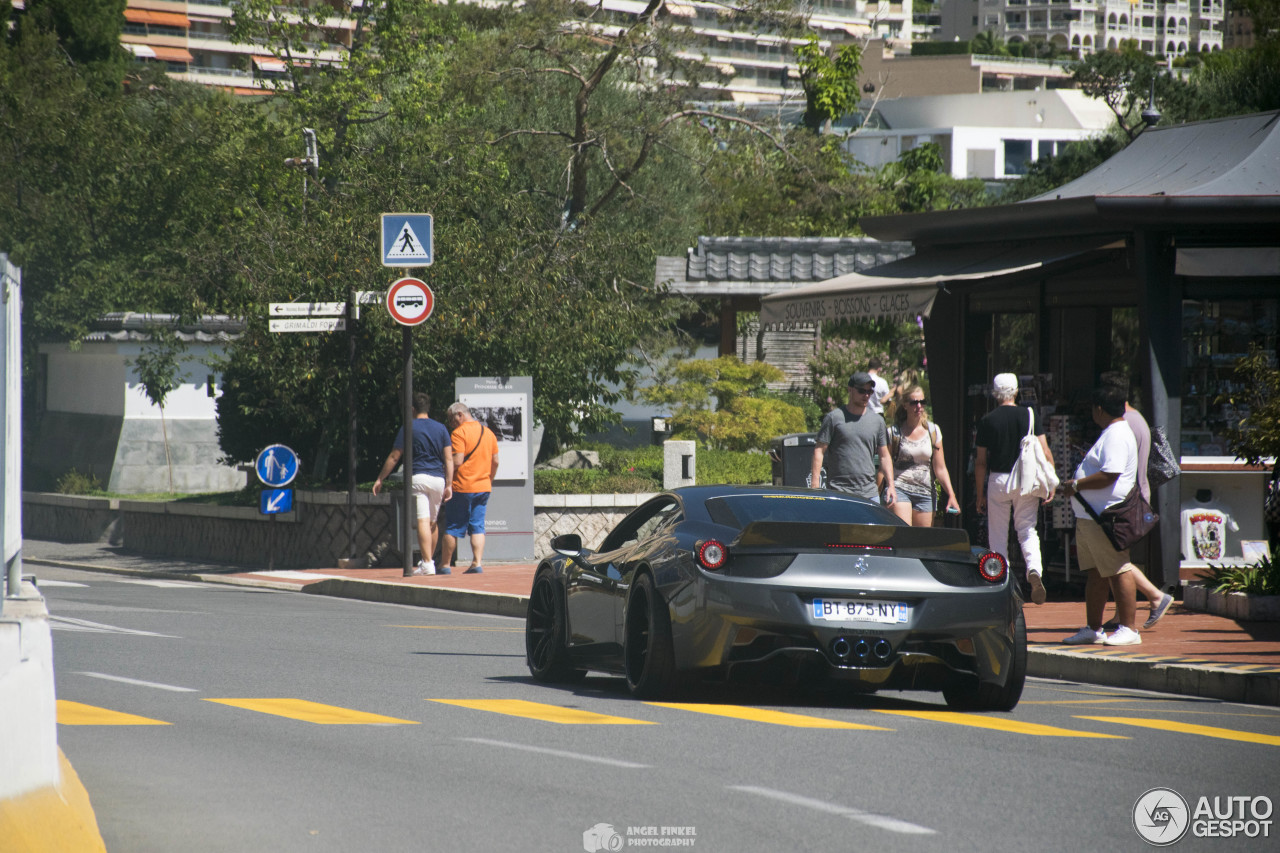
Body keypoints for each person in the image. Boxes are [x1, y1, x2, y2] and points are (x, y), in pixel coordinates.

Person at [1060, 385, 1144, 646]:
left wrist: (1076, 485)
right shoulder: (1111, 432)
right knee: (1095, 572)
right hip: (1090, 516)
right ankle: (1093, 628)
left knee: (1119, 570)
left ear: (1099, 409)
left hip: (1105, 516)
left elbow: (1111, 473)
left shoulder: (1117, 434)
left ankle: (1129, 629)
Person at [974, 373, 1055, 605]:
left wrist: (980, 494)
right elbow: (1045, 451)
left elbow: (981, 462)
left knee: (998, 535)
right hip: (1026, 480)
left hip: (999, 480)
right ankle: (1034, 570)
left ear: (994, 394)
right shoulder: (1029, 415)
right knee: (1027, 529)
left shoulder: (987, 420)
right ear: (1016, 392)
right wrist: (1051, 481)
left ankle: (1002, 584)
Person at [1101, 376, 1175, 629]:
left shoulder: (1126, 423)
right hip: (1135, 495)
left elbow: (1117, 465)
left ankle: (1156, 596)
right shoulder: (1135, 420)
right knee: (1116, 556)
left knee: (1116, 559)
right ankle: (1123, 612)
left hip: (1129, 500)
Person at [372, 392, 453, 577]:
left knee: (422, 521)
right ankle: (429, 562)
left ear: (412, 409)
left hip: (418, 478)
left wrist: (380, 478)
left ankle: (427, 563)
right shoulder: (441, 429)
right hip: (438, 480)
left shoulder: (407, 427)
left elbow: (394, 456)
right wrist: (449, 484)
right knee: (432, 522)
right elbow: (448, 459)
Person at [811, 372, 897, 505]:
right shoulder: (834, 418)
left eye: (870, 391)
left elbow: (885, 456)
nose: (866, 395)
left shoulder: (878, 421)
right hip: (839, 492)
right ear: (850, 389)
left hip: (869, 494)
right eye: (862, 391)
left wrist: (891, 485)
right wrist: (815, 485)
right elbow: (819, 451)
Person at [438, 402, 500, 574]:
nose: (451, 424)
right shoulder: (488, 433)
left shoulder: (459, 433)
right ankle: (477, 563)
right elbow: (495, 461)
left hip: (462, 487)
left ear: (460, 414)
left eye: (451, 419)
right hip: (483, 486)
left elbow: (457, 461)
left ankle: (445, 565)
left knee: (453, 527)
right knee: (478, 526)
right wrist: (489, 479)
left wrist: (443, 468)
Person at [886, 384, 960, 526]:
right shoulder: (894, 432)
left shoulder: (933, 431)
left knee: (922, 540)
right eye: (914, 402)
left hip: (925, 492)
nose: (919, 406)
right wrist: (885, 488)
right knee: (905, 535)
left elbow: (940, 468)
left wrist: (951, 494)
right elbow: (886, 464)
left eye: (922, 402)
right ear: (905, 405)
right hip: (900, 488)